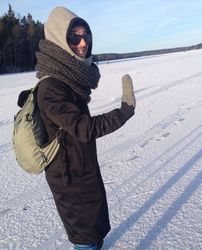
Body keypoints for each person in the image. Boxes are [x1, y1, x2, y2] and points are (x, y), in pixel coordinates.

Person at [35, 6, 135, 250]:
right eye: (74, 37)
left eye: (86, 36)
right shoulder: (52, 88)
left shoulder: (69, 80)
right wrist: (123, 112)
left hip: (81, 171)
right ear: (59, 38)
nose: (82, 43)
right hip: (71, 182)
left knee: (94, 235)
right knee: (86, 240)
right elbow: (83, 128)